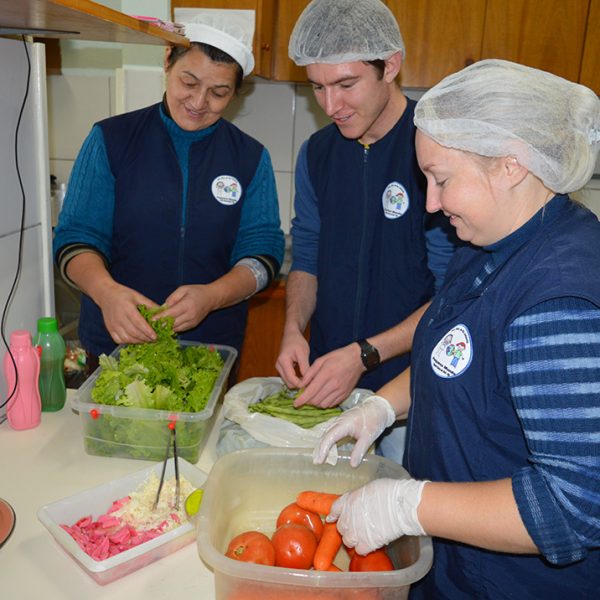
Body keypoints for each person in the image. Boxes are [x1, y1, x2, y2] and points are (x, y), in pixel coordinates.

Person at [313, 59, 600, 598]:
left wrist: (408, 504)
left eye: (442, 179)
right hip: (453, 572)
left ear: (510, 165)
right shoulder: (488, 242)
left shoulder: (559, 299)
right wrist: (382, 405)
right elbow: (450, 352)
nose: (430, 203)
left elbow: (576, 504)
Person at [276, 0, 457, 459]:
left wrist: (364, 355)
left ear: (390, 65)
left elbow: (454, 294)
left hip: (413, 395)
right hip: (332, 387)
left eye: (346, 84)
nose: (331, 105)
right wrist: (293, 330)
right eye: (317, 87)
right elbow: (309, 254)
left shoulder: (433, 150)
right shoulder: (317, 154)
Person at [53, 12, 284, 370]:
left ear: (236, 93)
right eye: (188, 82)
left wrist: (212, 296)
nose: (198, 102)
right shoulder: (111, 140)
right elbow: (75, 238)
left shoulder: (249, 158)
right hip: (116, 347)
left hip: (209, 353)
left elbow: (263, 255)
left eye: (219, 92)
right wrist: (106, 293)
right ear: (167, 61)